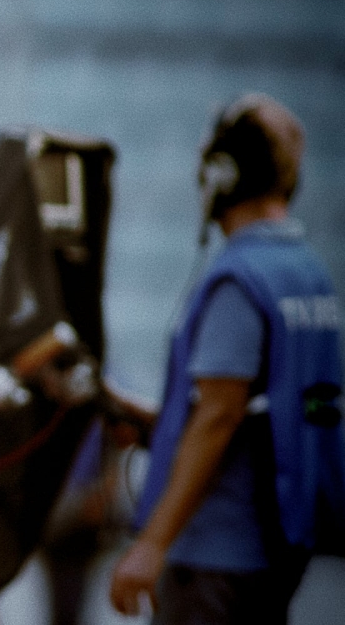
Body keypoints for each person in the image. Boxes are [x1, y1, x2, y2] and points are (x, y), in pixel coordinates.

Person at [108, 93, 344, 624]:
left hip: (214, 558)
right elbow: (274, 411)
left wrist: (151, 544)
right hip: (275, 553)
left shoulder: (240, 279)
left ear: (221, 175)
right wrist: (145, 419)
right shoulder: (309, 275)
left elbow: (220, 413)